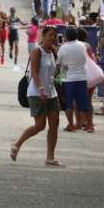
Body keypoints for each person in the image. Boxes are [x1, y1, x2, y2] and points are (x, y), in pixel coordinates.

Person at [11, 26, 62, 167]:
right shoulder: (37, 51)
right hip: (37, 93)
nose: (52, 38)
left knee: (54, 125)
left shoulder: (53, 52)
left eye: (54, 35)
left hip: (52, 93)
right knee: (40, 125)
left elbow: (52, 74)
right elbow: (34, 72)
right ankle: (17, 143)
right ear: (43, 36)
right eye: (50, 35)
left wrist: (60, 70)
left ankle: (50, 157)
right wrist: (41, 89)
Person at [57, 27, 91, 133]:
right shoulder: (82, 45)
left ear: (66, 36)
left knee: (69, 103)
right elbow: (84, 59)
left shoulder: (63, 48)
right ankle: (90, 125)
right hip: (82, 77)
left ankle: (71, 125)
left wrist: (60, 78)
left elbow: (59, 65)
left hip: (68, 79)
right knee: (85, 103)